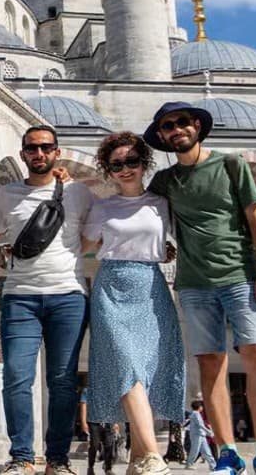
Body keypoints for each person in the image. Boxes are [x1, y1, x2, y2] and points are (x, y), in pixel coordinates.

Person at [143, 102, 256, 475]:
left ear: (197, 127)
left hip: (240, 274)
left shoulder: (229, 164)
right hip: (194, 283)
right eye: (168, 126)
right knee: (210, 363)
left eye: (182, 123)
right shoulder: (165, 181)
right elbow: (142, 212)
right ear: (161, 136)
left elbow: (255, 215)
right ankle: (227, 453)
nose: (176, 130)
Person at [0, 125, 93, 475]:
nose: (39, 154)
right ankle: (22, 457)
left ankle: (57, 459)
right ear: (23, 153)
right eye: (32, 148)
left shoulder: (79, 193)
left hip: (68, 296)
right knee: (17, 377)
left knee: (62, 380)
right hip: (20, 298)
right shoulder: (7, 195)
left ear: (57, 151)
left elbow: (92, 237)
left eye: (45, 147)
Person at [80, 131, 185, 475]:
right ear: (107, 170)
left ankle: (139, 460)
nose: (125, 169)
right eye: (116, 164)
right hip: (112, 288)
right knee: (126, 366)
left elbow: (186, 236)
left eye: (131, 162)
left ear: (144, 164)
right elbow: (80, 245)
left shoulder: (161, 203)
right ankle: (153, 455)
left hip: (152, 288)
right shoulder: (102, 207)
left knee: (148, 370)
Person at [183, 402, 215, 471]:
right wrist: (209, 432)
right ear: (199, 407)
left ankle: (213, 465)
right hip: (196, 435)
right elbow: (200, 425)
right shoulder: (195, 414)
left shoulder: (196, 414)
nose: (202, 408)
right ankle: (189, 464)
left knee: (207, 451)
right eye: (201, 406)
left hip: (201, 435)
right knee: (195, 450)